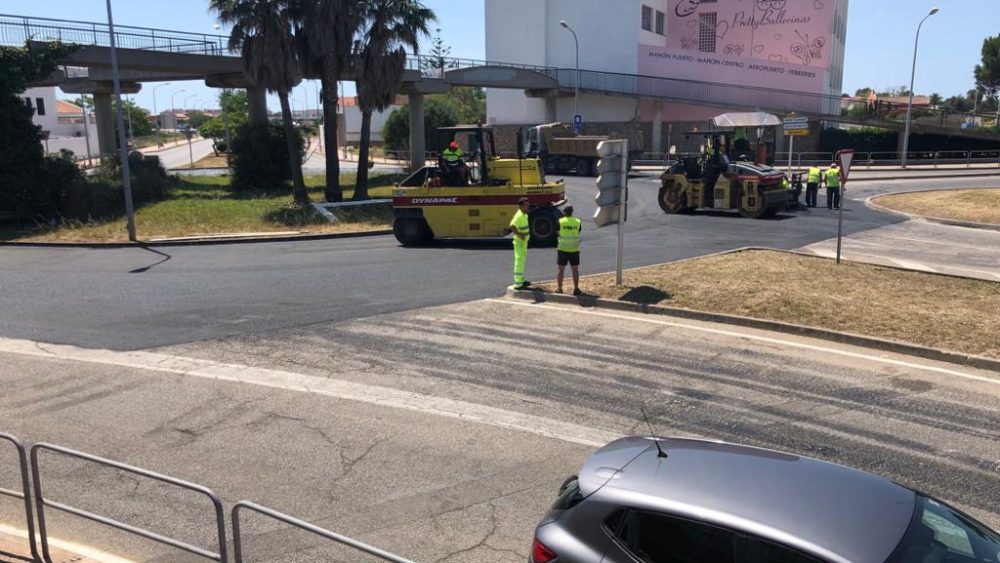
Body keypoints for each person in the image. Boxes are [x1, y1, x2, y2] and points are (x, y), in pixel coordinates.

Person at [505, 197, 531, 289]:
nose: (528, 206)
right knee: (519, 261)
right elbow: (512, 226)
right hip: (519, 242)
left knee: (522, 261)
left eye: (528, 205)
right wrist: (521, 235)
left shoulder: (524, 215)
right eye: (526, 205)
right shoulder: (519, 215)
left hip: (523, 242)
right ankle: (518, 283)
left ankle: (521, 279)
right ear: (521, 206)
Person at [556, 206, 582, 296]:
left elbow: (557, 232)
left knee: (561, 269)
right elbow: (578, 232)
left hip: (563, 248)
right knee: (575, 269)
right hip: (574, 248)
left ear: (564, 212)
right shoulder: (577, 221)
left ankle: (559, 288)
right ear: (572, 212)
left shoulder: (560, 221)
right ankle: (576, 288)